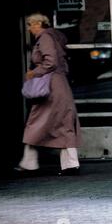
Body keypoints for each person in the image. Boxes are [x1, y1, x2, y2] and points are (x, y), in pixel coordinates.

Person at [16, 13, 82, 176]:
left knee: (35, 123)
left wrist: (34, 73)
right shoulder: (55, 36)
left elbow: (50, 61)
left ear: (38, 24)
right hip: (59, 85)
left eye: (30, 25)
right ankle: (71, 164)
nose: (29, 29)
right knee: (64, 123)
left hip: (50, 86)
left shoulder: (45, 38)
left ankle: (29, 164)